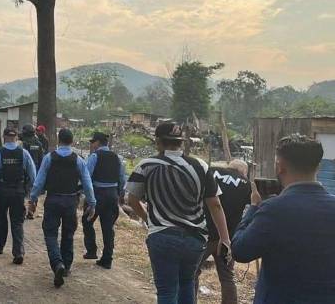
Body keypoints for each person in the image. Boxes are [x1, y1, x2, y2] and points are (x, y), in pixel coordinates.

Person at [126, 122, 230, 304]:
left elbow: (132, 200)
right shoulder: (201, 166)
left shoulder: (147, 165)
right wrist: (225, 238)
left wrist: (148, 218)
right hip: (195, 239)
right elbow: (215, 205)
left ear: (158, 141)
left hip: (162, 236)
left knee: (166, 291)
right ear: (181, 142)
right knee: (187, 284)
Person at [232, 135, 335, 304]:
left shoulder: (273, 210)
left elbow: (240, 251)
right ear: (319, 166)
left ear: (279, 167)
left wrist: (253, 208)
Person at [28, 128, 97, 288]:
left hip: (52, 199)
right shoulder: (78, 160)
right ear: (72, 142)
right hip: (70, 201)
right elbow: (87, 183)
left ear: (59, 140)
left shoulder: (49, 158)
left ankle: (57, 263)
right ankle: (66, 266)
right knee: (68, 234)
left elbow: (39, 181)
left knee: (50, 234)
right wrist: (92, 203)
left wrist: (33, 199)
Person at [195, 159, 251, 304]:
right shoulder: (247, 184)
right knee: (227, 276)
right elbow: (255, 207)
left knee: (192, 272)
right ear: (243, 172)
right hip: (226, 238)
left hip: (204, 233)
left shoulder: (211, 172)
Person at [0, 127, 36, 264]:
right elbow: (33, 175)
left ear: (3, 137)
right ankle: (18, 252)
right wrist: (34, 194)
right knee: (17, 222)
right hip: (18, 191)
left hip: (1, 191)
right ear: (16, 138)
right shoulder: (24, 153)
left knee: (1, 219)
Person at [82, 131, 126, 269]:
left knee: (87, 221)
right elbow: (122, 178)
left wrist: (86, 196)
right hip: (112, 195)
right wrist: (119, 194)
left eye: (93, 142)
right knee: (108, 228)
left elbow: (86, 176)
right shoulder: (117, 157)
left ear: (98, 143)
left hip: (97, 194)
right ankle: (107, 258)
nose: (92, 144)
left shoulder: (94, 156)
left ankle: (91, 250)